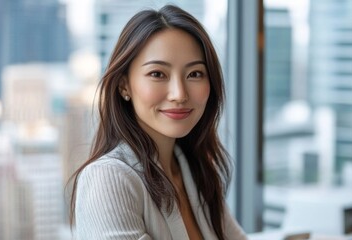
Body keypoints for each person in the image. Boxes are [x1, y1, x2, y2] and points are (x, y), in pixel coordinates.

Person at [69, 4, 248, 240]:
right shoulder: (108, 177)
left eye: (194, 74)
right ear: (124, 85)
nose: (179, 94)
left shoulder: (192, 169)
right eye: (157, 74)